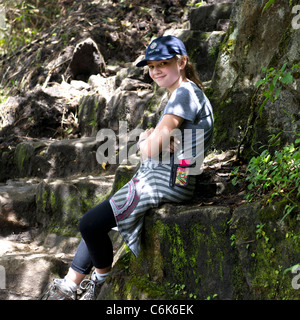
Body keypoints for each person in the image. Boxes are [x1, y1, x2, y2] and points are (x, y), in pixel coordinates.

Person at [38, 35, 214, 300]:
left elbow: (150, 148)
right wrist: (154, 140)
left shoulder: (184, 94)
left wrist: (147, 141)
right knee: (99, 217)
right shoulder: (186, 93)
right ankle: (71, 284)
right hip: (167, 175)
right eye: (151, 66)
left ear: (182, 62)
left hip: (169, 181)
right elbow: (162, 143)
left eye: (163, 63)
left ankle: (99, 279)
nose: (155, 71)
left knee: (89, 224)